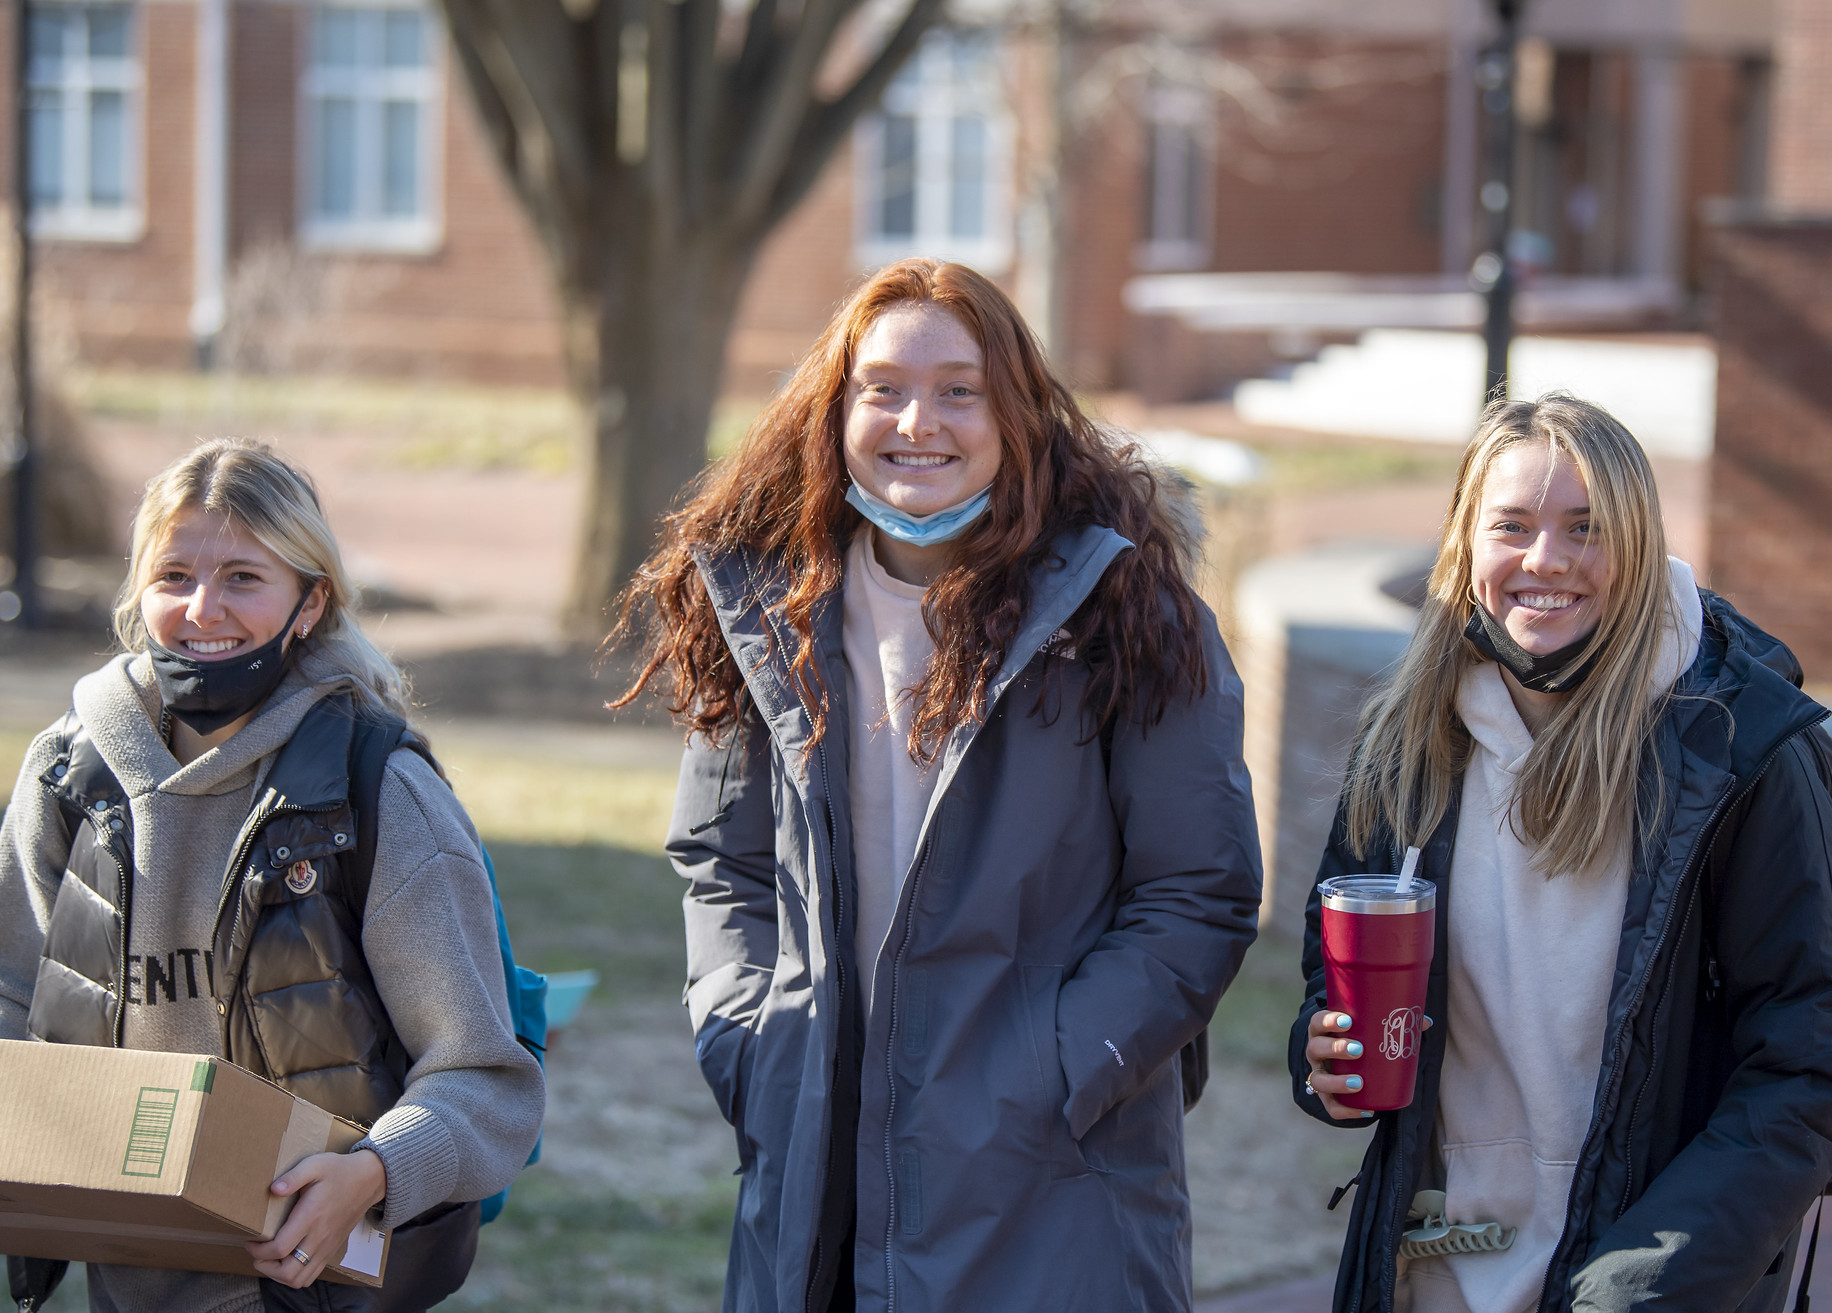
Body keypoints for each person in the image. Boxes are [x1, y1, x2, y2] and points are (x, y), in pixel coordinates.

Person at [615, 257, 1262, 1312]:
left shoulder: (1125, 614)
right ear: (836, 411)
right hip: (814, 1155)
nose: (918, 419)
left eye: (959, 389)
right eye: (883, 387)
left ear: (1014, 416)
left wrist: (1044, 1076)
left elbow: (1195, 893)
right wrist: (753, 1046)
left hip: (1052, 1182)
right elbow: (721, 866)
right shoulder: (762, 612)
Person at [1290, 396, 1832, 1313]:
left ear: (1635, 548)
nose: (1544, 560)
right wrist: (1323, 1059)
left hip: (1641, 1286)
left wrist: (1632, 1290)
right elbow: (1333, 986)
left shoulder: (1740, 752)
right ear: (1465, 546)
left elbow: (1806, 1073)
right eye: (1511, 526)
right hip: (1434, 1266)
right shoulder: (1408, 748)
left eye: (1584, 529)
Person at [0, 439, 544, 1312]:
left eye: (244, 577)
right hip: (121, 1278)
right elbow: (9, 1004)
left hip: (312, 1288)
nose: (202, 608)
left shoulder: (380, 789)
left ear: (311, 601)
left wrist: (372, 1174)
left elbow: (486, 1078)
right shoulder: (67, 774)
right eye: (174, 574)